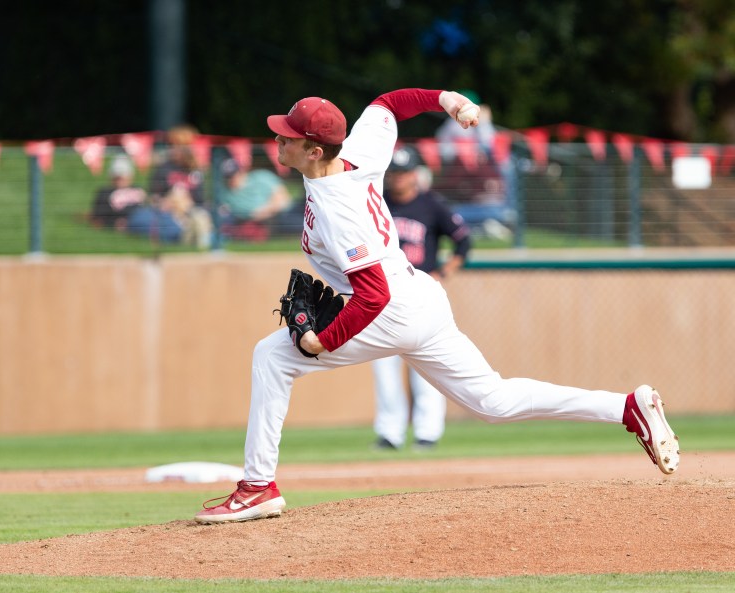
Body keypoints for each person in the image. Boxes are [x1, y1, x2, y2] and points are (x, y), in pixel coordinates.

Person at [193, 89, 680, 524]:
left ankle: (258, 487)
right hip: (420, 296)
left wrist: (325, 339)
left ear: (314, 150)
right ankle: (628, 407)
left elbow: (373, 295)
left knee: (273, 356)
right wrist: (449, 100)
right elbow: (387, 104)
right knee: (494, 401)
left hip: (392, 308)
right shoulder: (355, 152)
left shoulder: (339, 210)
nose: (276, 141)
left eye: (287, 137)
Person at [372, 144, 471, 451]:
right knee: (383, 364)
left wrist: (444, 272)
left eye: (404, 172)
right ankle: (390, 433)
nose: (398, 179)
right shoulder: (377, 204)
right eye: (395, 173)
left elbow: (463, 241)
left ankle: (428, 432)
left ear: (415, 174)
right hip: (383, 294)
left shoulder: (432, 205)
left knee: (425, 364)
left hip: (420, 292)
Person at [433, 92, 515, 239]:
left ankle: (483, 225)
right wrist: (483, 124)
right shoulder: (453, 124)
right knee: (456, 210)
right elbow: (446, 150)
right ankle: (480, 225)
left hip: (481, 182)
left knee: (496, 201)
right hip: (461, 178)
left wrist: (484, 123)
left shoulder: (478, 125)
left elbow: (491, 144)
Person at [90, 155, 184, 244]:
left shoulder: (138, 188)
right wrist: (114, 223)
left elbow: (149, 201)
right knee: (155, 228)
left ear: (130, 175)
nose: (120, 179)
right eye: (117, 176)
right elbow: (98, 219)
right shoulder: (105, 192)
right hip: (131, 218)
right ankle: (180, 237)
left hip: (150, 211)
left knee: (167, 219)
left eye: (123, 175)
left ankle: (184, 233)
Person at [147, 124, 213, 249]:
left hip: (192, 210)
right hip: (169, 212)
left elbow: (201, 200)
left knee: (200, 215)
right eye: (170, 145)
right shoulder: (163, 168)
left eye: (177, 145)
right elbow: (153, 197)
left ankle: (197, 235)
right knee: (178, 195)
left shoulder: (196, 170)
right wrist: (165, 202)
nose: (172, 148)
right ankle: (192, 235)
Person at [216, 154, 293, 242]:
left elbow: (284, 198)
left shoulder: (261, 176)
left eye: (234, 175)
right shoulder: (225, 194)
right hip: (255, 222)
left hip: (282, 214)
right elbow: (251, 214)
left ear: (242, 171)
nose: (232, 179)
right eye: (228, 177)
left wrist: (267, 209)